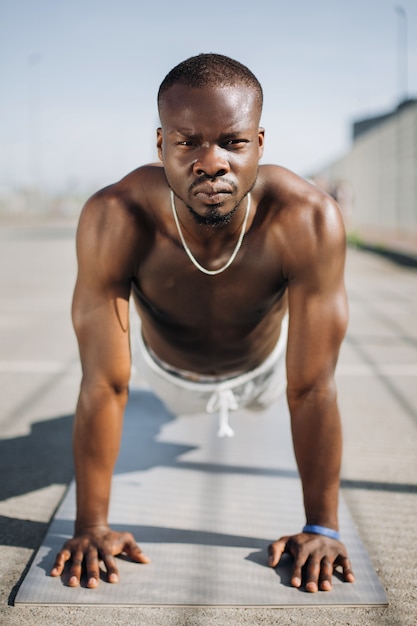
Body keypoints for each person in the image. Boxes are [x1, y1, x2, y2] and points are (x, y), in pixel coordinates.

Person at [50, 53, 355, 593]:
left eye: (233, 142)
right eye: (188, 141)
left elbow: (311, 386)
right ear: (161, 145)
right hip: (164, 371)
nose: (211, 162)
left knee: (298, 381)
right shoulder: (115, 215)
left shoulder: (306, 217)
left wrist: (321, 527)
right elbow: (104, 381)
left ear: (260, 143)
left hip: (261, 369)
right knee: (151, 409)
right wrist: (91, 526)